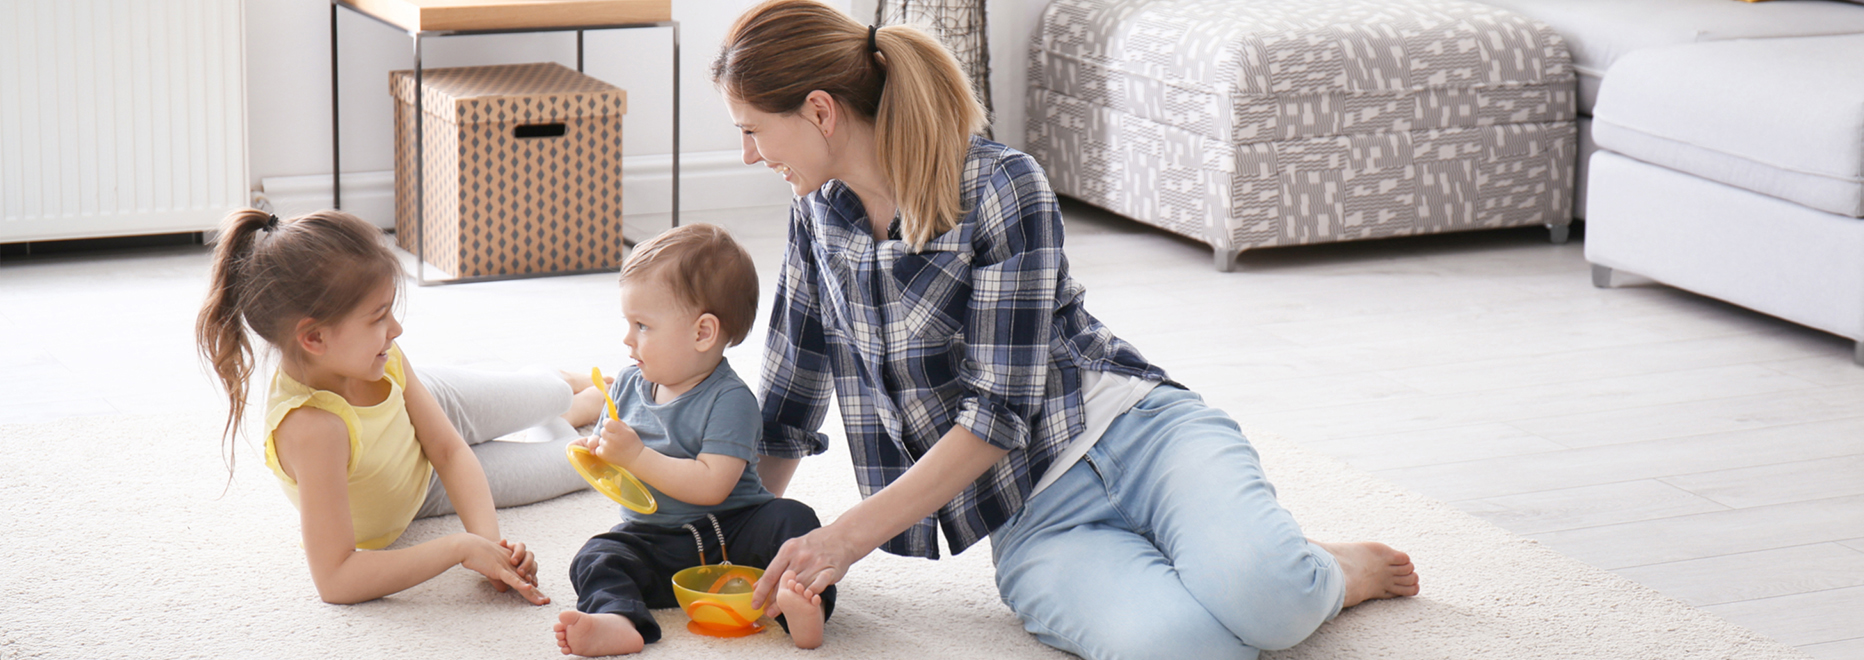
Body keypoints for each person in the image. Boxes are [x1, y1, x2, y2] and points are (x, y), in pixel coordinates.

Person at [711, 2, 1421, 658]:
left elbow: (997, 414)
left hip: (1137, 433)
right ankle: (1224, 558)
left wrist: (844, 538)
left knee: (1274, 603)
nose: (748, 154)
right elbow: (789, 401)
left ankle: (1328, 570)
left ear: (820, 111)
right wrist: (733, 542)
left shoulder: (1000, 184)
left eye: (751, 129)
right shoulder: (815, 219)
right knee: (1189, 649)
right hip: (1034, 513)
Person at [195, 208, 602, 605]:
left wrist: (490, 548)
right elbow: (335, 580)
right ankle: (568, 414)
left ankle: (571, 392)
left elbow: (448, 449)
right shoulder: (312, 429)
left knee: (550, 393)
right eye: (379, 317)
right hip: (423, 492)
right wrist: (463, 548)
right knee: (585, 464)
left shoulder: (381, 355)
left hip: (439, 406)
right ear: (314, 338)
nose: (397, 329)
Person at [554, 223, 836, 657]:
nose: (627, 338)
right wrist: (597, 454)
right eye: (628, 323)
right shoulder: (627, 384)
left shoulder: (731, 400)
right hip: (656, 540)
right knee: (597, 556)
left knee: (794, 521)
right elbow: (617, 465)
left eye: (642, 325)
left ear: (703, 333)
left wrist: (636, 455)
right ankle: (618, 620)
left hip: (735, 532)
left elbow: (711, 486)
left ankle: (800, 607)